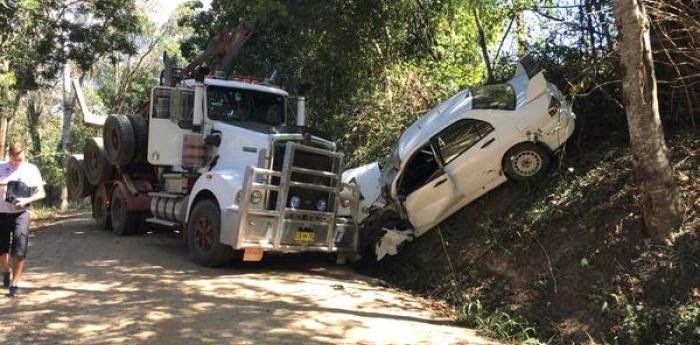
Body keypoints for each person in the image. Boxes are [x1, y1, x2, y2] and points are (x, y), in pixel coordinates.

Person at [0, 142, 46, 297]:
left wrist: (26, 200)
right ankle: (6, 270)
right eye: (13, 159)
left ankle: (15, 284)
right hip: (1, 212)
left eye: (18, 159)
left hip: (22, 212)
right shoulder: (1, 167)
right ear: (8, 155)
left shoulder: (31, 169)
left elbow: (41, 193)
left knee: (20, 245)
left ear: (24, 155)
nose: (15, 162)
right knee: (2, 249)